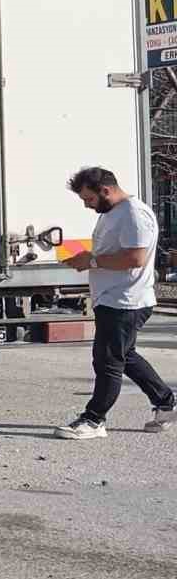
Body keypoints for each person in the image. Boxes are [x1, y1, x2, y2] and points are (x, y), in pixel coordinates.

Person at [56, 166, 177, 440]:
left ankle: (94, 420)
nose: (88, 205)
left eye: (89, 199)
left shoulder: (133, 214)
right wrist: (87, 257)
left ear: (105, 190)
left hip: (126, 301)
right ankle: (166, 404)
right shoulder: (113, 212)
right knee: (126, 356)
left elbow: (135, 259)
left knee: (108, 361)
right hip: (115, 299)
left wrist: (92, 261)